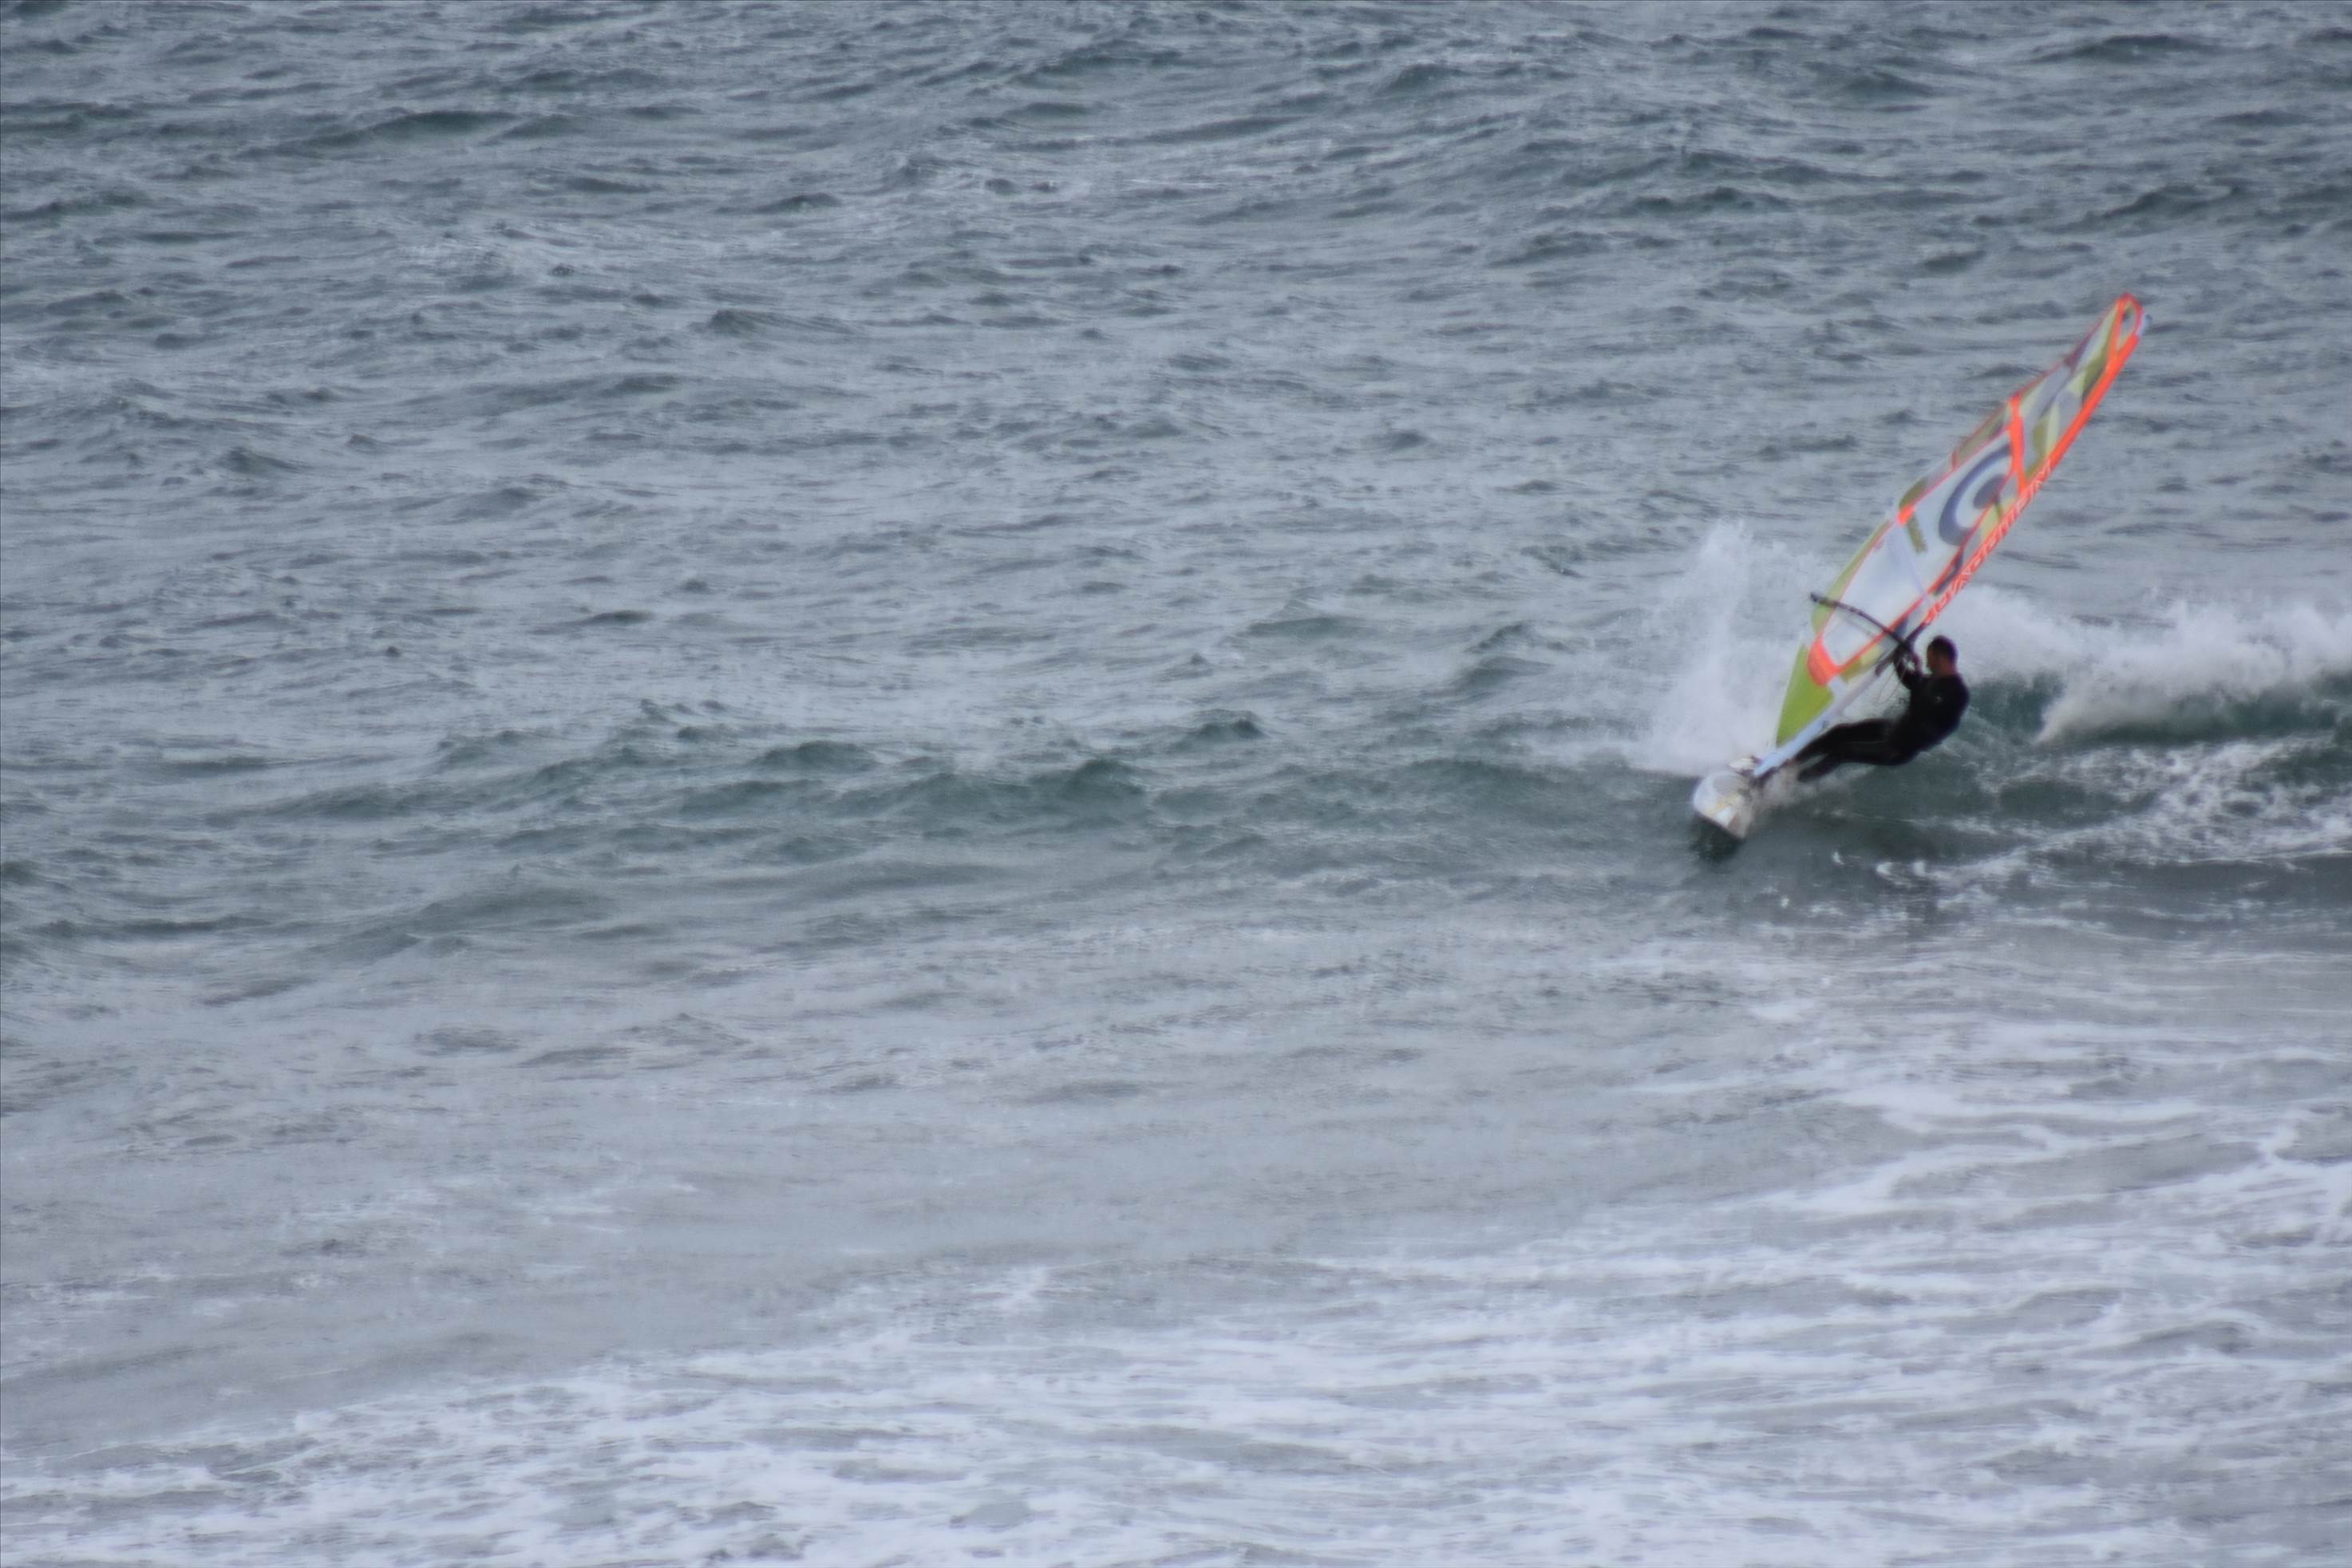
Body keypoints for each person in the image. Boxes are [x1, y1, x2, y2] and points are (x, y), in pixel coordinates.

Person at [1793, 634, 1969, 783]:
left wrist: (1917, 673)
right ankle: (1791, 762)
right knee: (1840, 732)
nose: (1928, 663)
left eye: (1929, 658)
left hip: (1898, 749)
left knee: (1843, 751)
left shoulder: (1957, 693)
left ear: (1940, 658)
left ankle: (1796, 779)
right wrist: (1898, 659)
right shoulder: (1934, 680)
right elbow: (1910, 681)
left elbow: (1924, 708)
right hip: (1892, 729)